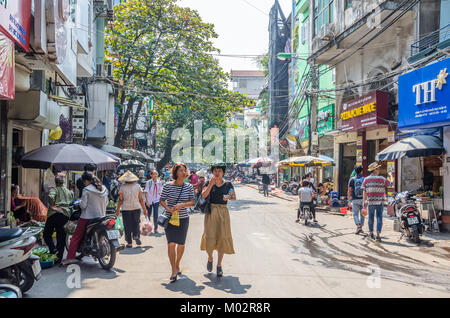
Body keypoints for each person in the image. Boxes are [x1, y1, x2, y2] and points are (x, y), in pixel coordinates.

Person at [159, 163, 195, 283]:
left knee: (181, 244)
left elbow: (192, 202)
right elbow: (162, 200)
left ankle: (177, 263)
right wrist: (168, 208)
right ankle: (173, 270)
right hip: (170, 218)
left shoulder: (189, 186)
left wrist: (182, 205)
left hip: (183, 218)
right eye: (180, 170)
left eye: (185, 170)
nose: (183, 172)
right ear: (175, 173)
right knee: (171, 243)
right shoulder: (167, 186)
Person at [62, 172, 108, 265]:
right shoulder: (103, 188)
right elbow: (106, 203)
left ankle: (69, 259)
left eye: (84, 182)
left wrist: (78, 203)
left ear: (86, 181)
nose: (84, 183)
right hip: (101, 216)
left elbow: (83, 205)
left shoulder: (86, 190)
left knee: (76, 237)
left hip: (87, 217)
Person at [200, 164, 236, 278]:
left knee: (222, 237)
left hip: (223, 213)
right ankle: (210, 258)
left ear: (223, 173)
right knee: (209, 237)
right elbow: (204, 195)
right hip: (211, 212)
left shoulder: (228, 184)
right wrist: (210, 184)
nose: (217, 173)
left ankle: (219, 265)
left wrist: (228, 197)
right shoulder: (208, 183)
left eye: (219, 171)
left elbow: (233, 196)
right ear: (212, 172)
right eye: (215, 171)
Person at [43, 173, 73, 264]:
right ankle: (59, 258)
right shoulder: (68, 191)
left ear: (56, 182)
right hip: (65, 215)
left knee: (47, 234)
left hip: (54, 214)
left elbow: (50, 196)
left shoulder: (54, 189)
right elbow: (71, 201)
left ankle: (53, 250)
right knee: (61, 237)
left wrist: (52, 206)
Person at [115, 171, 148, 248]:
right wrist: (145, 209)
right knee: (136, 223)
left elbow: (120, 200)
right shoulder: (137, 186)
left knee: (127, 225)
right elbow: (141, 199)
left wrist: (117, 211)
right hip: (136, 207)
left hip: (126, 209)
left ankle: (129, 243)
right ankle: (136, 236)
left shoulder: (122, 187)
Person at [362, 162, 389, 242]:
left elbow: (364, 191)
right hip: (380, 201)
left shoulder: (366, 179)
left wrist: (364, 201)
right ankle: (378, 235)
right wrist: (390, 176)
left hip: (370, 202)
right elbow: (390, 184)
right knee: (379, 217)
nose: (379, 170)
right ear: (375, 170)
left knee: (370, 218)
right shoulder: (382, 178)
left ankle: (370, 234)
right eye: (378, 168)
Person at [348, 165, 365, 234]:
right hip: (363, 199)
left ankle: (358, 226)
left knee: (355, 214)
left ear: (355, 171)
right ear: (361, 171)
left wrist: (349, 200)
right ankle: (360, 227)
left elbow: (349, 190)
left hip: (354, 199)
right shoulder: (364, 179)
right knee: (362, 214)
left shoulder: (352, 179)